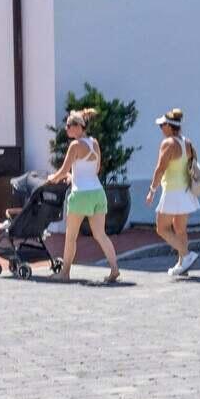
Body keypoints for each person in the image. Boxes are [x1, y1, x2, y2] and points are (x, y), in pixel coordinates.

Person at [46, 109, 120, 284]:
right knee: (100, 234)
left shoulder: (75, 145)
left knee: (71, 237)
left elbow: (63, 170)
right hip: (98, 192)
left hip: (80, 195)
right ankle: (114, 268)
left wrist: (52, 178)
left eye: (68, 126)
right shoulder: (94, 143)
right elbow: (95, 169)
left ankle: (65, 273)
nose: (66, 129)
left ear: (78, 126)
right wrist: (73, 176)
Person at [146, 108, 199, 277]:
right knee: (180, 229)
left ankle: (186, 255)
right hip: (185, 192)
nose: (161, 128)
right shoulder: (187, 142)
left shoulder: (168, 143)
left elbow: (160, 169)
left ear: (169, 126)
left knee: (161, 228)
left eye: (162, 125)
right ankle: (182, 264)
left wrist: (152, 191)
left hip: (172, 192)